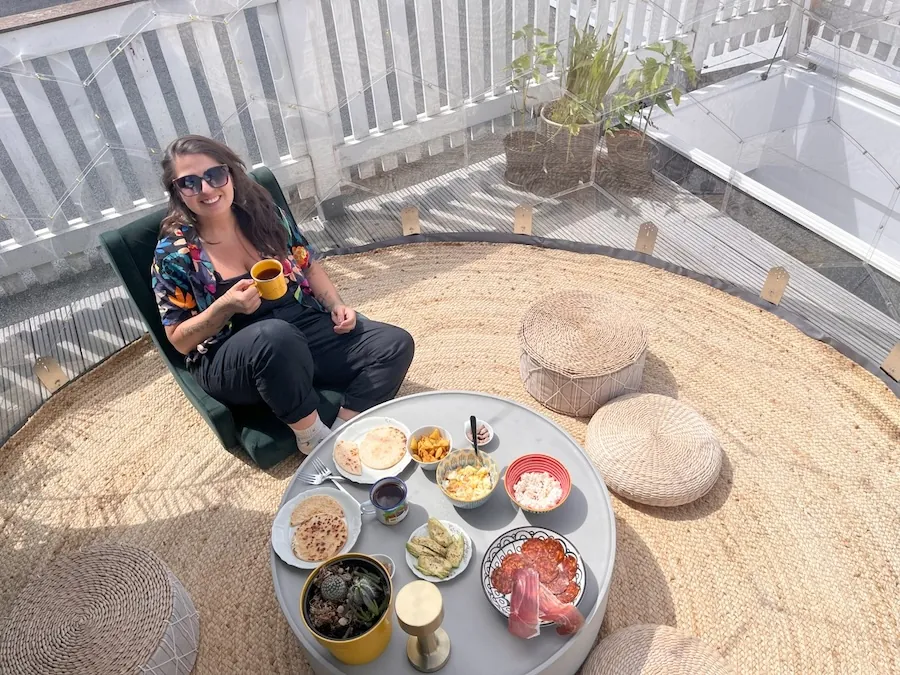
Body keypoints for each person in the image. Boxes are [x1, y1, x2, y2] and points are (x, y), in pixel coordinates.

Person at [151, 135, 414, 455]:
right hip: (230, 356)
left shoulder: (263, 213)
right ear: (177, 192)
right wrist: (225, 306)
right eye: (190, 183)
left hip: (299, 325)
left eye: (214, 175)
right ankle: (312, 439)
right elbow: (178, 339)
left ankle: (343, 430)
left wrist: (336, 304)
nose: (207, 189)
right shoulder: (174, 252)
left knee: (394, 343)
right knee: (275, 337)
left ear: (230, 174)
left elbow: (308, 264)